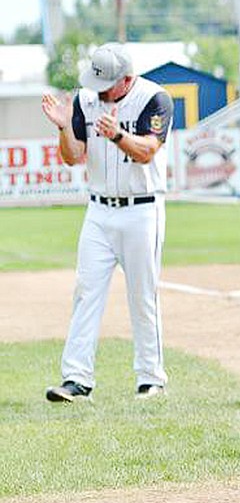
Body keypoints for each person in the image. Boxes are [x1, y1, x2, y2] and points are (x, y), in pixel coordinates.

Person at [41, 44, 174, 402]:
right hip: (99, 209)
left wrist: (117, 135)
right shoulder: (86, 100)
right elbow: (73, 157)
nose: (99, 91)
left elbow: (147, 151)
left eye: (107, 84)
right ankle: (76, 379)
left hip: (142, 208)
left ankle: (151, 377)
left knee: (142, 294)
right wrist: (64, 127)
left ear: (127, 79)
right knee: (86, 291)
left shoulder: (154, 99)